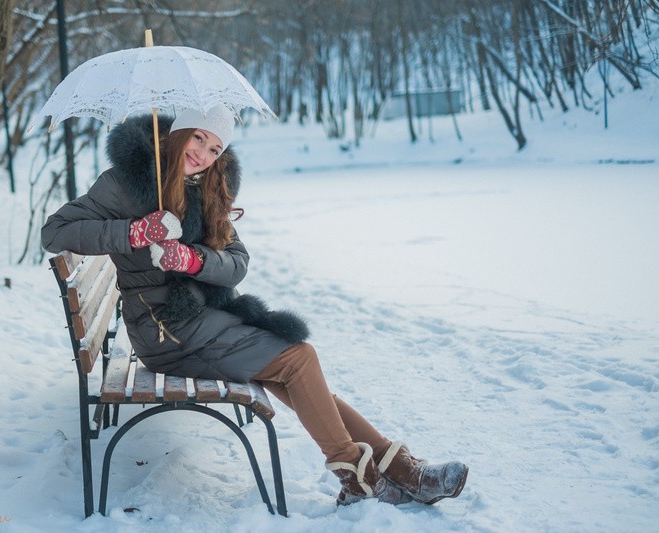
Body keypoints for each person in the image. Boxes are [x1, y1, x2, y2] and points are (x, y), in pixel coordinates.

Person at [41, 104, 468, 507]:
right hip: (163, 330)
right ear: (178, 131)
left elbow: (237, 263)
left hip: (202, 319)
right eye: (199, 138)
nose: (204, 154)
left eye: (216, 148)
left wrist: (193, 260)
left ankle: (397, 470)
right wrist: (135, 233)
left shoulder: (207, 185)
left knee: (295, 372)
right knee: (298, 361)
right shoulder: (125, 183)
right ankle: (363, 477)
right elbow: (55, 232)